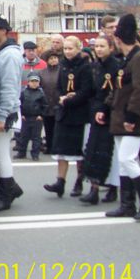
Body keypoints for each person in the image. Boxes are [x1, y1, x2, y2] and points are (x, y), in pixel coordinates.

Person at [99, 14, 140, 220]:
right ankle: (127, 205)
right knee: (123, 162)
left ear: (118, 39)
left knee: (127, 159)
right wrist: (105, 109)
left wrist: (131, 117)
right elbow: (119, 89)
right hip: (121, 118)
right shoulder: (128, 59)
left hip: (134, 119)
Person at [44, 36, 94, 197]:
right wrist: (61, 97)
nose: (67, 51)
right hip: (64, 111)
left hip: (79, 113)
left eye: (70, 48)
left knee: (79, 151)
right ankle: (60, 182)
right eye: (65, 48)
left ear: (78, 48)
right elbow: (58, 86)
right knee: (61, 150)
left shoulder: (86, 67)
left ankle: (79, 181)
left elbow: (87, 90)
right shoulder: (63, 65)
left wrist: (71, 99)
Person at [0, 15, 24, 212]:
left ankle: (6, 195)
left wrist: (2, 116)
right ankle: (12, 187)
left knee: (1, 155)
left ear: (4, 31)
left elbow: (9, 89)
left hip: (4, 112)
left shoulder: (10, 55)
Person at [80, 36, 120, 204]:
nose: (99, 49)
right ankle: (94, 190)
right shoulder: (94, 66)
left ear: (111, 48)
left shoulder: (116, 66)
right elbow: (91, 90)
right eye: (97, 46)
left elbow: (115, 92)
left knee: (111, 153)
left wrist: (104, 109)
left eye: (103, 46)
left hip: (112, 113)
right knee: (93, 151)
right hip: (96, 112)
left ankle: (113, 188)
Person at [13, 74, 48, 161]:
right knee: (23, 136)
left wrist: (41, 115)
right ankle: (21, 153)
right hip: (25, 118)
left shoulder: (41, 93)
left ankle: (35, 154)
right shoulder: (23, 92)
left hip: (37, 118)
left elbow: (45, 105)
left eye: (36, 81)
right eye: (32, 81)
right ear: (28, 82)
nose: (34, 83)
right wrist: (21, 115)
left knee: (36, 137)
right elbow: (19, 105)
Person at [39, 50, 61, 155]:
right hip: (46, 103)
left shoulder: (62, 71)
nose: (53, 60)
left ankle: (58, 147)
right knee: (48, 127)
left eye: (55, 58)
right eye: (51, 58)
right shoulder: (42, 72)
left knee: (58, 127)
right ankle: (49, 146)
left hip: (59, 103)